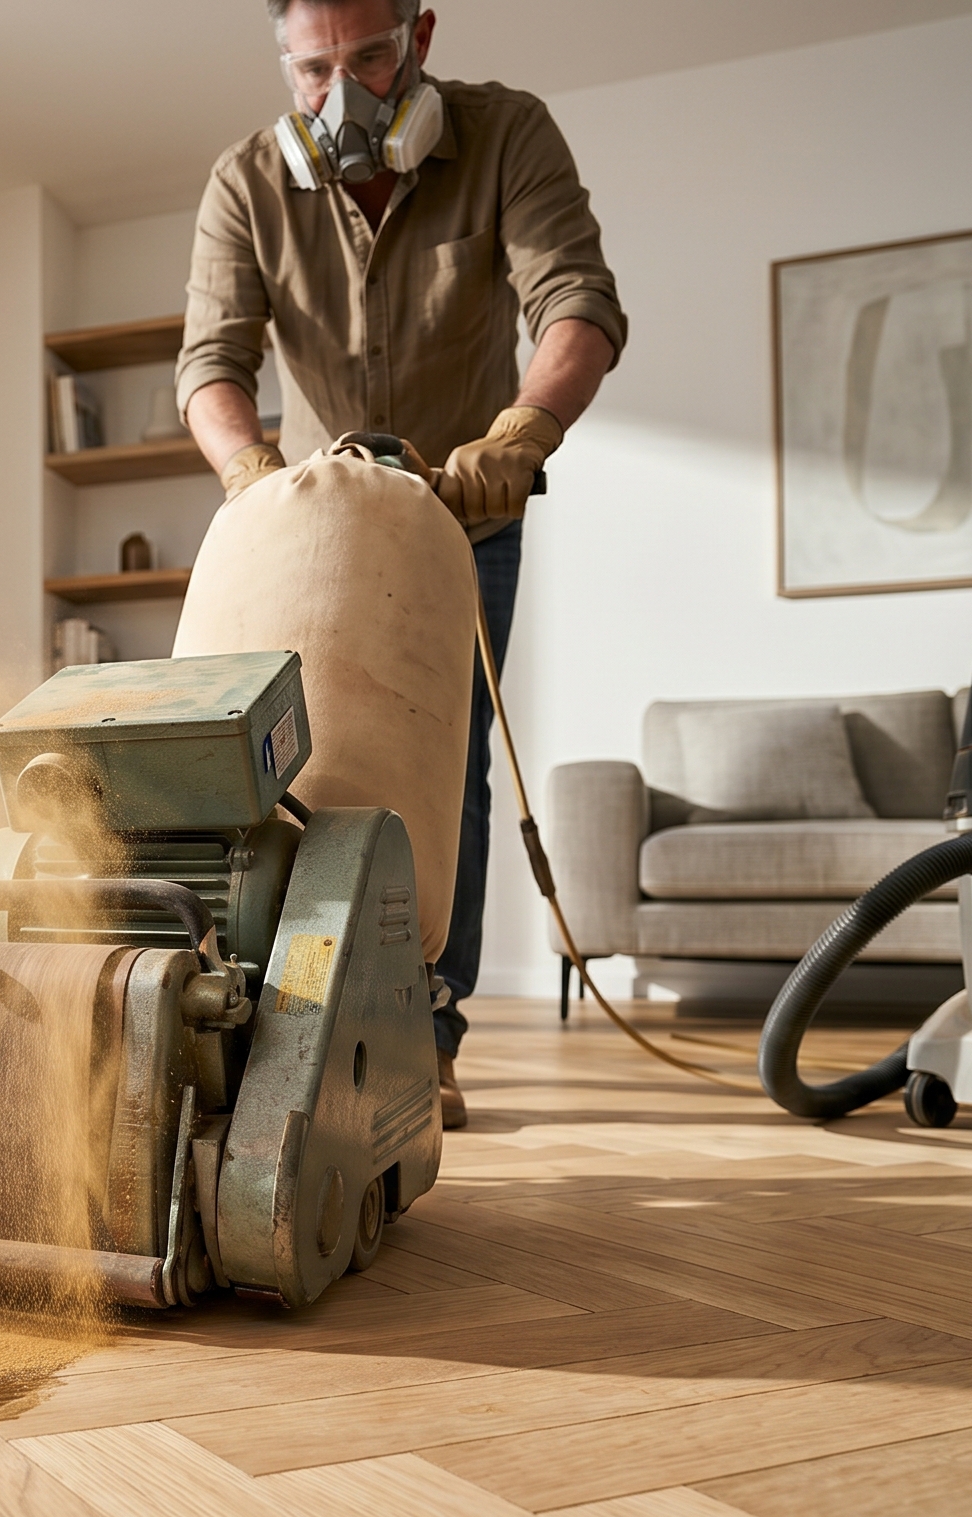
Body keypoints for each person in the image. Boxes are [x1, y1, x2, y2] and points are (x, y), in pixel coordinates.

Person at [177, 0, 625, 1128]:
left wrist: (519, 437)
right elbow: (211, 365)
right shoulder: (246, 182)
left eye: (369, 58)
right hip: (311, 520)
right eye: (313, 70)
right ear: (285, 64)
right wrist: (253, 477)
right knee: (266, 759)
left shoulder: (507, 133)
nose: (343, 95)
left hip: (463, 518)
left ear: (420, 38)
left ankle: (425, 1035)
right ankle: (249, 1010)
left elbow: (576, 302)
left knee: (443, 768)